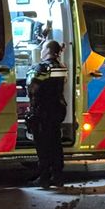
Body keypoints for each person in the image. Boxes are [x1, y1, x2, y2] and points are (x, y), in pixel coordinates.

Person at [26, 40, 67, 188]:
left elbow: (32, 87)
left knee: (43, 146)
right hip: (57, 109)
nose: (41, 51)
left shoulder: (41, 68)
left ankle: (44, 178)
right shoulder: (61, 67)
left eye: (43, 48)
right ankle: (58, 177)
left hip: (43, 111)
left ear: (47, 51)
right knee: (56, 144)